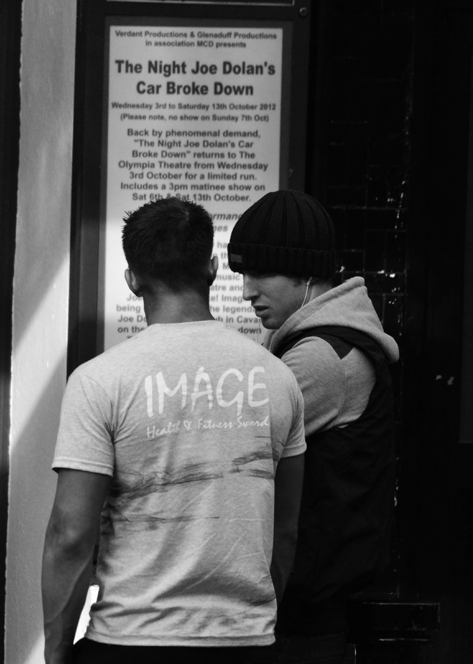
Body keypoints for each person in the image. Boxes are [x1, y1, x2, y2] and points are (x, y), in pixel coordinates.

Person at [42, 197, 307, 664]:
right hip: (245, 644)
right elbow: (284, 530)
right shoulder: (278, 379)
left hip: (131, 641)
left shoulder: (100, 380)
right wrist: (253, 624)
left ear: (132, 280)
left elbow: (70, 533)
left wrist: (57, 649)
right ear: (212, 269)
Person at [229, 189, 399, 663]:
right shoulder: (325, 341)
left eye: (261, 273)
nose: (247, 291)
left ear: (305, 272)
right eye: (242, 274)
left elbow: (232, 449)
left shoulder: (322, 358)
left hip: (305, 617)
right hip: (313, 605)